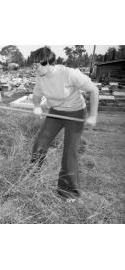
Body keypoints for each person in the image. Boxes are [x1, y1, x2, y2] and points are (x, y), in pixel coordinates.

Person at [31, 46, 99, 201]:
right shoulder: (40, 77)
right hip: (55, 112)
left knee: (70, 151)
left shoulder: (69, 73)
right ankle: (31, 176)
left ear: (48, 62)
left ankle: (68, 191)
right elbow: (37, 94)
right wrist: (36, 106)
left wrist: (93, 115)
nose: (35, 68)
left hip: (75, 112)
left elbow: (94, 90)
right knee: (40, 143)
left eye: (38, 64)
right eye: (33, 65)